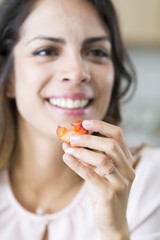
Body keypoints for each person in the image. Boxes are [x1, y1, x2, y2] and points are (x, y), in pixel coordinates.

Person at [0, 0, 160, 239]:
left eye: (97, 52)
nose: (77, 73)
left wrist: (114, 231)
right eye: (46, 51)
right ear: (7, 75)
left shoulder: (153, 181)